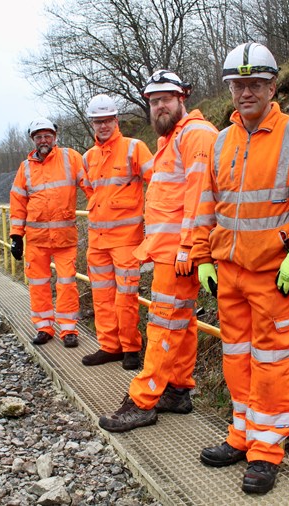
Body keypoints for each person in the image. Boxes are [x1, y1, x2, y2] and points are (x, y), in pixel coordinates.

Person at [191, 42, 289, 494]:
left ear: (272, 87)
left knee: (271, 362)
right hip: (228, 272)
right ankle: (242, 435)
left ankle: (266, 450)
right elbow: (206, 207)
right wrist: (201, 256)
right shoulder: (221, 140)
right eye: (238, 85)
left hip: (273, 274)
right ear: (230, 90)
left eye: (255, 84)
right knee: (236, 358)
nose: (245, 92)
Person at [99, 70, 218, 432]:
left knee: (163, 324)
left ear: (183, 97)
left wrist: (187, 248)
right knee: (179, 322)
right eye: (153, 101)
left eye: (166, 99)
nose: (159, 106)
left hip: (180, 252)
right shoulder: (174, 138)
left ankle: (142, 400)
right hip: (171, 251)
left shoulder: (194, 135)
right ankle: (178, 390)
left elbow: (200, 197)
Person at [81, 94, 154, 371]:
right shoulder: (89, 157)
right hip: (97, 241)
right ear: (92, 124)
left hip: (126, 241)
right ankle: (110, 346)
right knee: (102, 296)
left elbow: (155, 182)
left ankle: (131, 348)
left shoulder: (134, 148)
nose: (103, 126)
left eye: (107, 120)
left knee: (125, 297)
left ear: (116, 120)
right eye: (97, 122)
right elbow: (90, 190)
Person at [9, 117, 91, 348]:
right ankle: (44, 327)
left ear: (55, 137)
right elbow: (18, 202)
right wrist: (16, 236)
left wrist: (101, 212)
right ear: (33, 140)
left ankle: (68, 330)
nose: (43, 140)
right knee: (38, 284)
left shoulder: (70, 158)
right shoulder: (25, 168)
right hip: (36, 240)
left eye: (47, 136)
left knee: (66, 284)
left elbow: (89, 186)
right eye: (38, 137)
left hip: (65, 238)